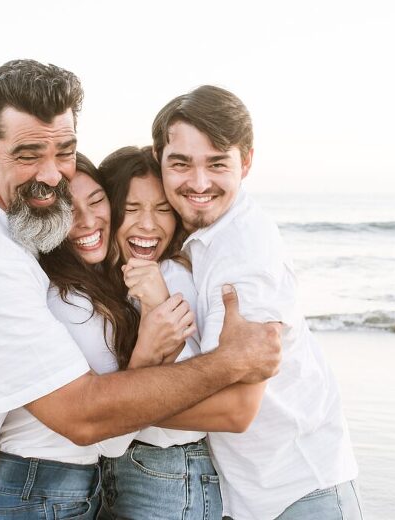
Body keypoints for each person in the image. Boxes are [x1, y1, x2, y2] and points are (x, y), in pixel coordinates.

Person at [0, 60, 282, 520]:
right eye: (28, 155)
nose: (51, 175)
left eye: (64, 151)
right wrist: (229, 361)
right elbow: (83, 417)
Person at [150, 85, 363, 520]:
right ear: (160, 162)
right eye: (181, 164)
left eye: (217, 163)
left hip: (300, 493)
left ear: (246, 162)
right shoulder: (204, 240)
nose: (199, 182)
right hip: (256, 496)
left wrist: (108, 413)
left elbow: (236, 410)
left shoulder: (244, 255)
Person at [0, 153, 191, 519]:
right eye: (68, 209)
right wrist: (146, 348)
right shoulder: (66, 302)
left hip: (59, 482)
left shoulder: (95, 288)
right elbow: (109, 439)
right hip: (43, 483)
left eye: (96, 201)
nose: (87, 220)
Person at [96, 146, 267, 520]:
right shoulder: (108, 281)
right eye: (131, 208)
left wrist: (159, 304)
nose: (148, 225)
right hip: (115, 467)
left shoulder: (174, 277)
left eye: (161, 210)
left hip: (169, 470)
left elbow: (198, 380)